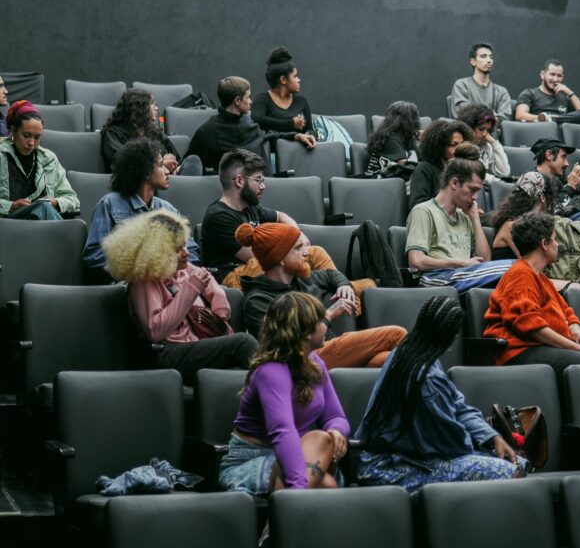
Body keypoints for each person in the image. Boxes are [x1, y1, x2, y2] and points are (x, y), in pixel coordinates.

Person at [356, 296, 526, 493]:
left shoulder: (411, 352)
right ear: (451, 338)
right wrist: (483, 449)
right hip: (392, 470)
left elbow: (458, 404)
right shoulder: (427, 379)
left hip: (407, 458)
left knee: (515, 461)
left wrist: (492, 437)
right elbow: (451, 444)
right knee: (512, 470)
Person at [102, 209, 257, 385]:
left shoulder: (183, 268)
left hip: (196, 343)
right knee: (243, 343)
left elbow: (209, 284)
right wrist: (191, 289)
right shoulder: (144, 281)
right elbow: (156, 331)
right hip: (166, 353)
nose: (186, 253)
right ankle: (282, 393)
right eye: (177, 249)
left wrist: (218, 311)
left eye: (184, 246)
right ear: (157, 252)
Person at [219, 292, 350, 495]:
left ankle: (282, 519)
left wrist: (336, 431)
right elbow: (282, 431)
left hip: (304, 453)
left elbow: (335, 416)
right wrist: (298, 490)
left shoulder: (316, 363)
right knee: (327, 483)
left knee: (323, 439)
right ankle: (290, 509)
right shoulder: (270, 371)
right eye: (321, 320)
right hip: (252, 461)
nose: (327, 324)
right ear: (306, 332)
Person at [237, 222, 406, 368]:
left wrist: (344, 286)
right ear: (280, 258)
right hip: (302, 360)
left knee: (385, 361)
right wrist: (329, 315)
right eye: (298, 248)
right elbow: (283, 347)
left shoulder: (303, 278)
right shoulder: (257, 300)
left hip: (330, 351)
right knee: (395, 334)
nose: (306, 253)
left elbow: (332, 274)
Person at [483, 211, 580, 375]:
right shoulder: (520, 275)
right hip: (520, 353)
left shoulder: (541, 278)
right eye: (555, 239)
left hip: (545, 348)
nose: (557, 244)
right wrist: (575, 347)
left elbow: (567, 314)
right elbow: (531, 328)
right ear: (544, 244)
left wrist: (578, 334)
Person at [201, 149, 335, 287]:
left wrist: (298, 234)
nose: (263, 186)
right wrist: (295, 247)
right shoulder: (218, 216)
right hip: (232, 277)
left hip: (260, 268)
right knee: (278, 262)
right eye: (258, 180)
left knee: (316, 253)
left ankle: (341, 291)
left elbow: (281, 216)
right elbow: (258, 256)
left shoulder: (250, 207)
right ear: (239, 181)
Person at [84, 138, 198, 271]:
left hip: (166, 284)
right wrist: (143, 266)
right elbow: (94, 256)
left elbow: (192, 253)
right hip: (126, 286)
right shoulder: (109, 204)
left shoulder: (168, 209)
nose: (167, 171)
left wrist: (168, 265)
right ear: (145, 172)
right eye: (161, 165)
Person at [406, 156, 514, 293]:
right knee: (516, 267)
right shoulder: (423, 211)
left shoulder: (465, 215)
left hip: (462, 276)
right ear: (454, 183)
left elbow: (485, 260)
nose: (475, 197)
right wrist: (462, 263)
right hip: (435, 278)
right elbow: (416, 261)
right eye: (472, 189)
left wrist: (475, 218)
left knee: (517, 276)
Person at [185, 76, 316, 171]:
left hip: (262, 188)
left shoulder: (248, 122)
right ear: (237, 100)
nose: (251, 101)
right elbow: (190, 164)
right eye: (248, 97)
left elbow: (269, 135)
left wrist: (296, 136)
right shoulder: (208, 132)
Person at [0, 100, 79, 220]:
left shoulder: (49, 159)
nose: (31, 143)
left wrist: (56, 202)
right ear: (13, 131)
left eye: (37, 138)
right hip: (7, 223)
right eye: (26, 136)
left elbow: (71, 198)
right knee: (43, 208)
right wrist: (10, 206)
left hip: (41, 224)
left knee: (44, 207)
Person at [100, 87, 190, 174]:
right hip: (135, 183)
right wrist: (161, 164)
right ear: (140, 108)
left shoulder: (154, 133)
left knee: (190, 162)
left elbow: (177, 159)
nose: (156, 108)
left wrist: (173, 165)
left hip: (166, 179)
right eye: (152, 104)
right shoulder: (114, 134)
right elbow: (123, 164)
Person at [489, 171, 559, 260]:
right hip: (505, 272)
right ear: (543, 198)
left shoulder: (521, 222)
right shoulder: (512, 226)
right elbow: (530, 262)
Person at [250, 47, 315, 140]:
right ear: (283, 80)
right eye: (295, 76)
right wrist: (291, 123)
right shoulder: (262, 100)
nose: (299, 80)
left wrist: (310, 135)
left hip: (300, 152)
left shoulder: (301, 101)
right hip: (273, 152)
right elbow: (257, 120)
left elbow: (310, 129)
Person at [408, 120, 473, 208]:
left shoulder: (462, 170)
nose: (459, 149)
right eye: (453, 144)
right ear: (440, 147)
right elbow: (418, 206)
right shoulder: (424, 169)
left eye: (462, 145)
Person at [450, 42, 513, 123]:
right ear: (473, 62)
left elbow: (505, 118)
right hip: (468, 132)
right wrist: (488, 116)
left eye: (491, 57)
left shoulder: (501, 91)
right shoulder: (462, 85)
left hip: (493, 133)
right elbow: (462, 113)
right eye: (483, 56)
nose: (489, 60)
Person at [532, 137, 580, 219]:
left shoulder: (555, 181)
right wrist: (571, 186)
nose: (567, 163)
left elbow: (568, 206)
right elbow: (548, 214)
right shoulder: (530, 180)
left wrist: (576, 186)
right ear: (549, 155)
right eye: (563, 157)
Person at [515, 59, 580, 124]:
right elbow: (520, 115)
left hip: (562, 134)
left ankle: (555, 119)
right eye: (552, 74)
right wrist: (544, 119)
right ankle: (553, 119)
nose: (555, 79)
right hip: (542, 131)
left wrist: (570, 93)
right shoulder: (529, 93)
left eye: (559, 76)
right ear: (542, 74)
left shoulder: (564, 98)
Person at [365, 100, 420, 178]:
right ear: (407, 121)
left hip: (394, 181)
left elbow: (423, 159)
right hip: (379, 182)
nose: (417, 122)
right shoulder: (389, 139)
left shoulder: (406, 138)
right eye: (414, 118)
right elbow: (405, 167)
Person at [455, 103, 510, 181]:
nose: (485, 134)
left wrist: (495, 144)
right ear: (469, 127)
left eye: (487, 130)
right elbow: (470, 174)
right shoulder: (459, 146)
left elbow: (503, 173)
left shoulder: (486, 145)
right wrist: (494, 180)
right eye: (481, 129)